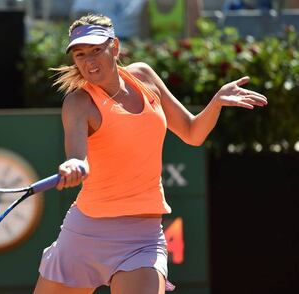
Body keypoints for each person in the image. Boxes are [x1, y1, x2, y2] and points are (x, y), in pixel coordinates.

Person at [33, 13, 267, 294]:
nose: (89, 60)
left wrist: (215, 102)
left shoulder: (143, 76)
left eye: (97, 50)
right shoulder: (78, 103)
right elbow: (77, 156)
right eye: (80, 54)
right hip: (85, 233)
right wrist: (74, 165)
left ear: (115, 47)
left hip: (141, 238)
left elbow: (192, 133)